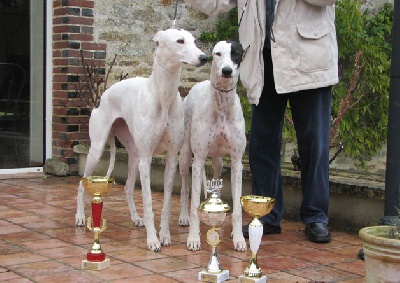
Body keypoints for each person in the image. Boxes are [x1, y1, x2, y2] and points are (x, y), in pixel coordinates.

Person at [184, 0, 338, 243]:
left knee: (314, 143)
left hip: (309, 59)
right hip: (262, 63)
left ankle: (315, 216)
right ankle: (266, 215)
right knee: (262, 144)